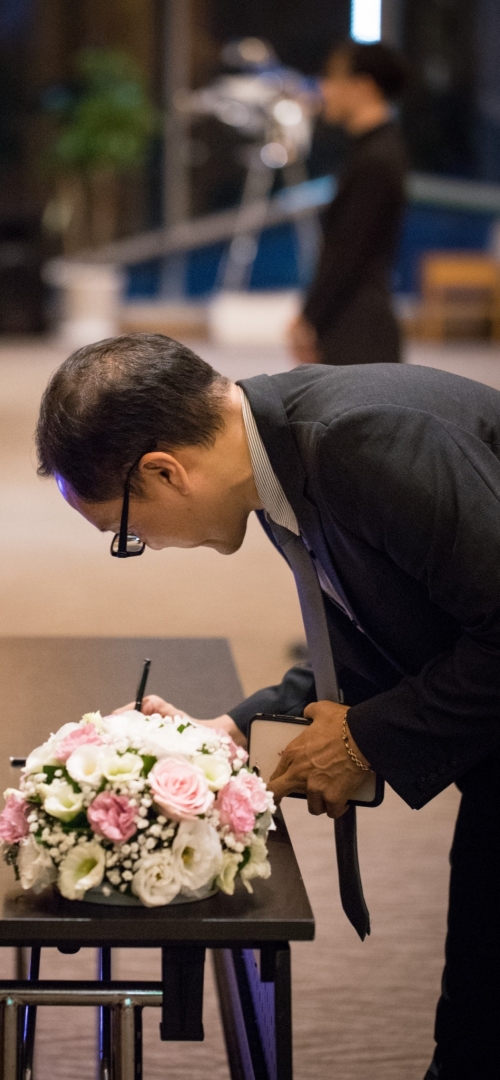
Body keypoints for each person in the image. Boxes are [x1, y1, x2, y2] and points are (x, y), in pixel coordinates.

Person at [35, 333, 500, 1079]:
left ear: (163, 470)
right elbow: (386, 628)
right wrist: (233, 731)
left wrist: (365, 741)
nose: (143, 544)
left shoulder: (360, 442)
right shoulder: (286, 454)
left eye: (125, 530)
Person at [288, 41, 408, 366]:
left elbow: (350, 252)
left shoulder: (377, 158)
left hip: (359, 331)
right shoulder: (371, 151)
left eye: (332, 78)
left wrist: (309, 318)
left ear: (363, 86)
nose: (323, 88)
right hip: (352, 323)